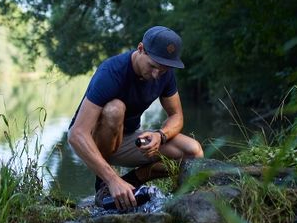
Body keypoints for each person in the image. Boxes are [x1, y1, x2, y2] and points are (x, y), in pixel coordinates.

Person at [68, 25, 204, 211]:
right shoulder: (111, 72)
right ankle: (104, 186)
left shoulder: (164, 72)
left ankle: (133, 180)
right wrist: (112, 179)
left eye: (163, 70)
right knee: (115, 109)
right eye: (153, 66)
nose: (157, 75)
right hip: (93, 141)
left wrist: (160, 135)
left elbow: (176, 116)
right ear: (140, 49)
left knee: (193, 152)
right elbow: (76, 134)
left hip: (127, 137)